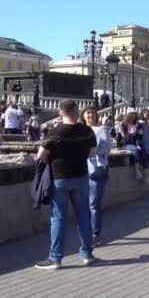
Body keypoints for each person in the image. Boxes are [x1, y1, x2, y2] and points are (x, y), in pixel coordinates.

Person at [35, 100, 97, 269]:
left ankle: (55, 259)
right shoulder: (86, 131)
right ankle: (87, 254)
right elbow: (92, 152)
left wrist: (54, 160)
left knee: (58, 218)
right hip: (81, 176)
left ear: (60, 112)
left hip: (59, 178)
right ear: (76, 111)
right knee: (83, 215)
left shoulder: (54, 132)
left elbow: (40, 155)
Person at [80, 106, 112, 246]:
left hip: (97, 169)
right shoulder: (79, 129)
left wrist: (89, 149)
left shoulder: (102, 129)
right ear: (83, 116)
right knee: (83, 203)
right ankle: (85, 231)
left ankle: (94, 234)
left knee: (93, 203)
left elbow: (106, 147)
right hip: (81, 169)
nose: (90, 115)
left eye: (93, 113)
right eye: (88, 113)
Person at [116, 110, 147, 182]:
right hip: (125, 143)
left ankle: (144, 168)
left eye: (134, 115)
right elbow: (118, 136)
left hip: (134, 143)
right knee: (135, 150)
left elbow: (140, 136)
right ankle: (137, 171)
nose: (133, 117)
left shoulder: (138, 125)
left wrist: (138, 144)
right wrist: (118, 146)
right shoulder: (123, 125)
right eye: (131, 115)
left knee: (143, 150)